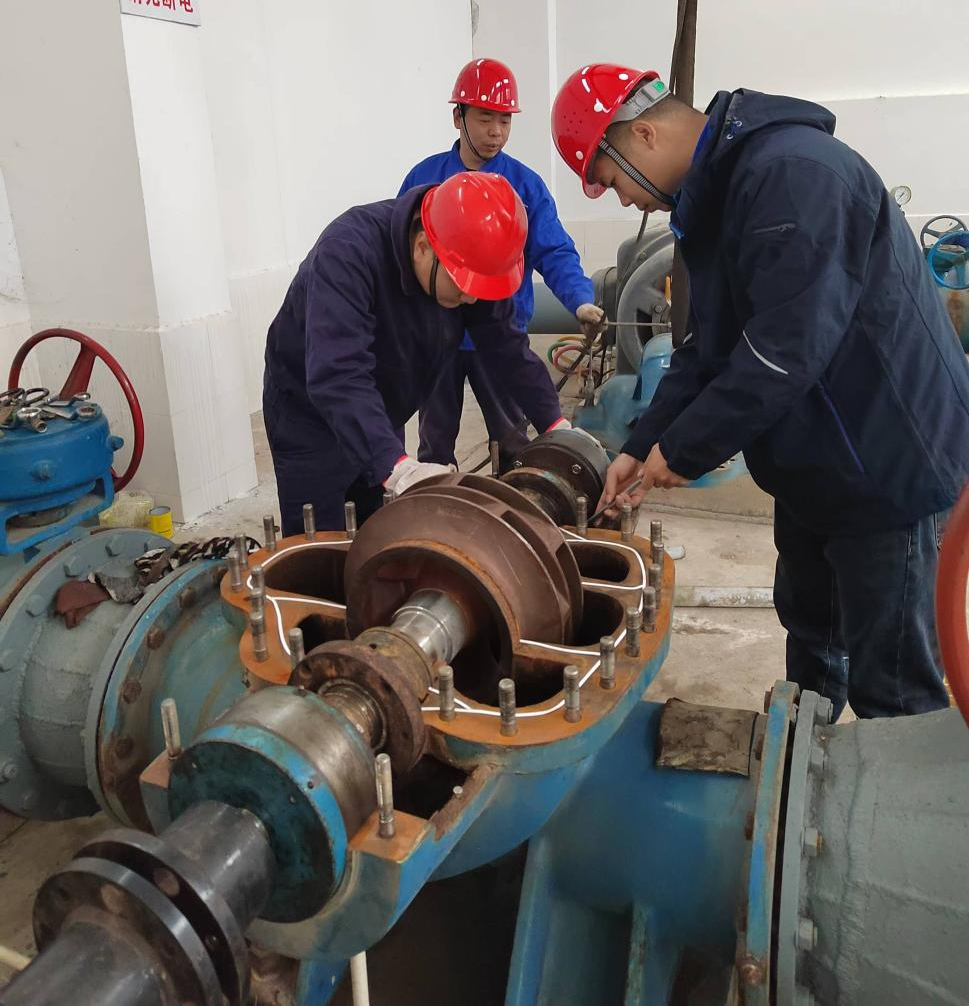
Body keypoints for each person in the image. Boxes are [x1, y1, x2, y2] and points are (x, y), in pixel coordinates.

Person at [551, 62, 969, 719]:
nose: (625, 202)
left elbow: (783, 350)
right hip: (817, 461)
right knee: (813, 643)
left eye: (611, 181)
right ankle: (804, 765)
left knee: (891, 688)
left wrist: (683, 451)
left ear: (642, 136)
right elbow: (707, 348)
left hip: (886, 466)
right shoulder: (720, 195)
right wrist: (640, 443)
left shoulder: (794, 176)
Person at [263, 171, 568, 536]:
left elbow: (506, 346)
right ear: (423, 246)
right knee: (320, 543)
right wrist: (398, 468)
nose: (471, 299)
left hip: (378, 407)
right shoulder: (348, 252)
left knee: (378, 531)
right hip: (310, 418)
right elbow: (338, 375)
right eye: (463, 286)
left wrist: (556, 425)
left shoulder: (468, 259)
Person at [399, 58, 603, 470]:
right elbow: (403, 256)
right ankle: (436, 500)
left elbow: (554, 250)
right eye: (485, 118)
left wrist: (580, 300)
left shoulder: (524, 186)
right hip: (436, 334)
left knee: (513, 443)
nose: (496, 132)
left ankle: (512, 501)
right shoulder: (424, 180)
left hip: (500, 333)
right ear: (458, 117)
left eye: (505, 120)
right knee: (434, 444)